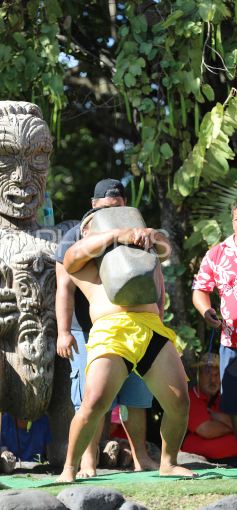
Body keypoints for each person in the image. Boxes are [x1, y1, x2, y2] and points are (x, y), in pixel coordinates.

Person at [56, 208, 197, 482]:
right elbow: (74, 254)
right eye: (100, 224)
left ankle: (168, 463)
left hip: (151, 328)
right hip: (111, 331)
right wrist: (117, 234)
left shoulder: (138, 253)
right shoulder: (79, 260)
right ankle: (69, 468)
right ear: (87, 230)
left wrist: (149, 234)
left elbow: (165, 250)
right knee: (94, 404)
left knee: (179, 402)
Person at [55, 179, 161, 477]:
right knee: (92, 398)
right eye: (105, 208)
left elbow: (155, 275)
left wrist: (158, 317)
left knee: (135, 396)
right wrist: (64, 332)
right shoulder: (75, 236)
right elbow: (63, 288)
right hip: (86, 329)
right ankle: (86, 463)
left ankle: (142, 457)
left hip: (133, 326)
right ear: (93, 205)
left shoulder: (135, 230)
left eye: (118, 207)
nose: (112, 212)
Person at [192, 201, 237, 445]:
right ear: (232, 220)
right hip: (232, 341)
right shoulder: (217, 253)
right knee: (234, 403)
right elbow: (200, 288)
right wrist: (206, 309)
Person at [182, 353, 237, 466]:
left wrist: (220, 417)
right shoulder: (190, 398)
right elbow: (206, 431)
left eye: (217, 375)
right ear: (199, 374)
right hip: (203, 461)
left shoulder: (226, 398)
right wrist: (232, 425)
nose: (213, 379)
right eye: (209, 373)